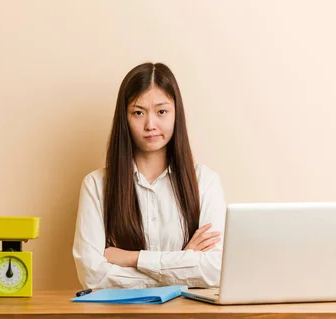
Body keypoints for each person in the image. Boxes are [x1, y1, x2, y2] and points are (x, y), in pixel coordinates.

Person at [72, 62, 227, 290]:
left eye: (161, 111)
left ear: (176, 114)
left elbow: (216, 269)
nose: (150, 125)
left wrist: (132, 259)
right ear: (124, 118)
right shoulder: (96, 186)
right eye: (138, 112)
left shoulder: (205, 182)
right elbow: (92, 275)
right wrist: (183, 263)